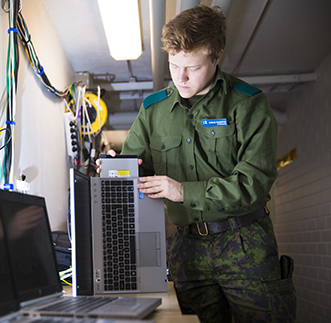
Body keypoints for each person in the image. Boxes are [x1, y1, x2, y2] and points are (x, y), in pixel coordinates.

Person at [98, 5, 296, 322]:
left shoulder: (247, 104)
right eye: (174, 65)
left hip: (244, 243)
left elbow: (254, 184)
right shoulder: (153, 110)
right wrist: (114, 172)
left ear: (216, 57)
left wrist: (182, 192)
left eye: (192, 67)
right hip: (187, 248)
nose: (181, 77)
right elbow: (135, 170)